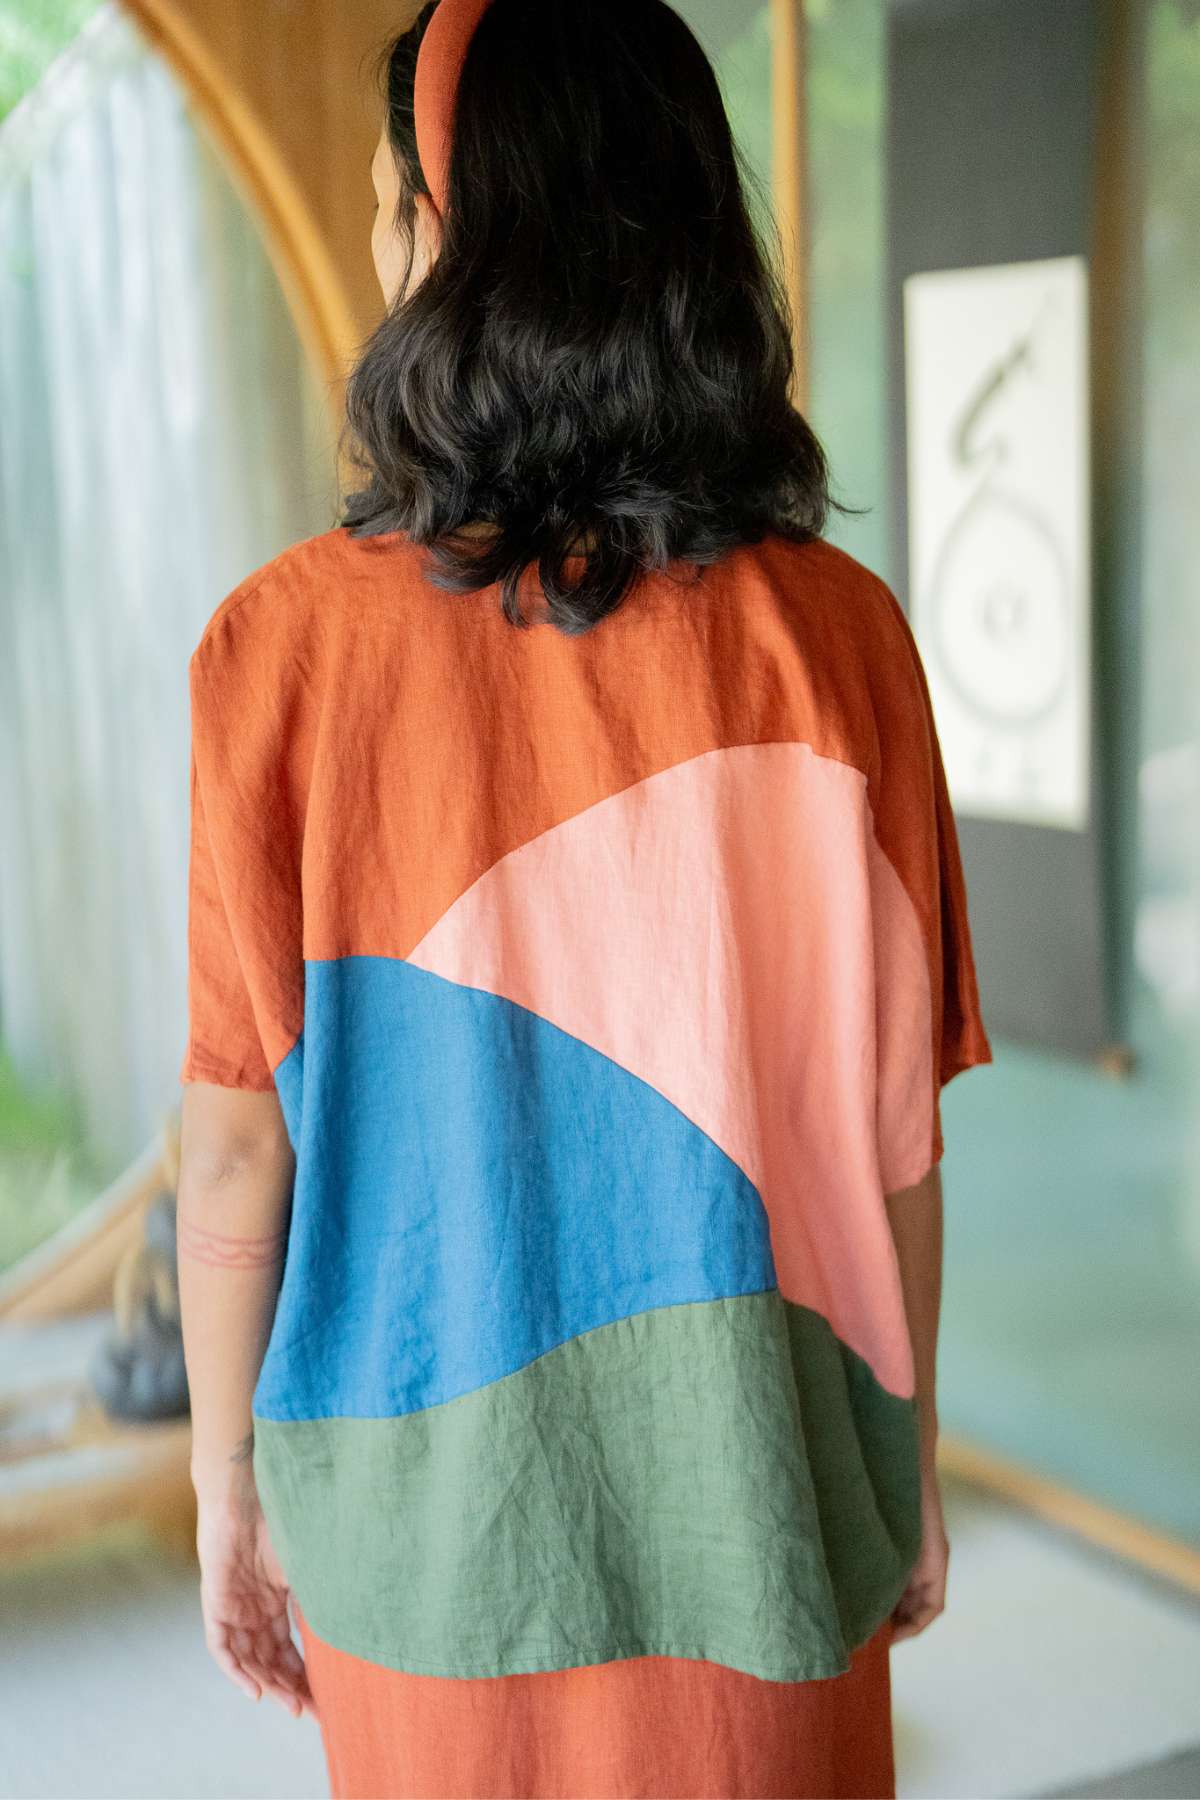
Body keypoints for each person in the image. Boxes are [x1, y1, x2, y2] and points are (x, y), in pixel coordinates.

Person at [175, 0, 992, 1795]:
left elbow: (238, 1150)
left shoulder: (279, 656)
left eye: (399, 203)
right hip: (767, 1518)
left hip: (429, 1546)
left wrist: (227, 1478)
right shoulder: (847, 646)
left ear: (454, 243)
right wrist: (909, 1453)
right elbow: (895, 1137)